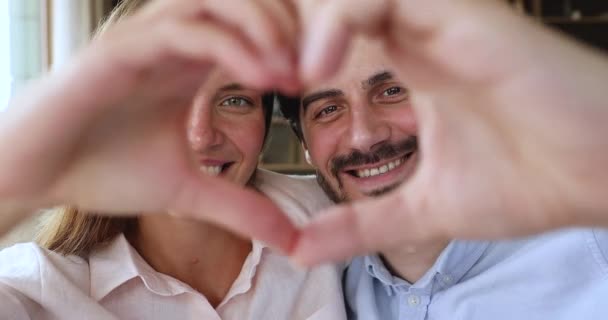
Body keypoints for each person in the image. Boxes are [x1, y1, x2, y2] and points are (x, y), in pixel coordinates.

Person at [0, 0, 346, 319]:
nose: (200, 135)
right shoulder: (44, 289)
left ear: (265, 124)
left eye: (235, 101)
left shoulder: (329, 219)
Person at [278, 6, 608, 320]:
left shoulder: (591, 242)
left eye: (393, 91)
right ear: (305, 145)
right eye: (328, 110)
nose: (364, 136)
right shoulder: (330, 288)